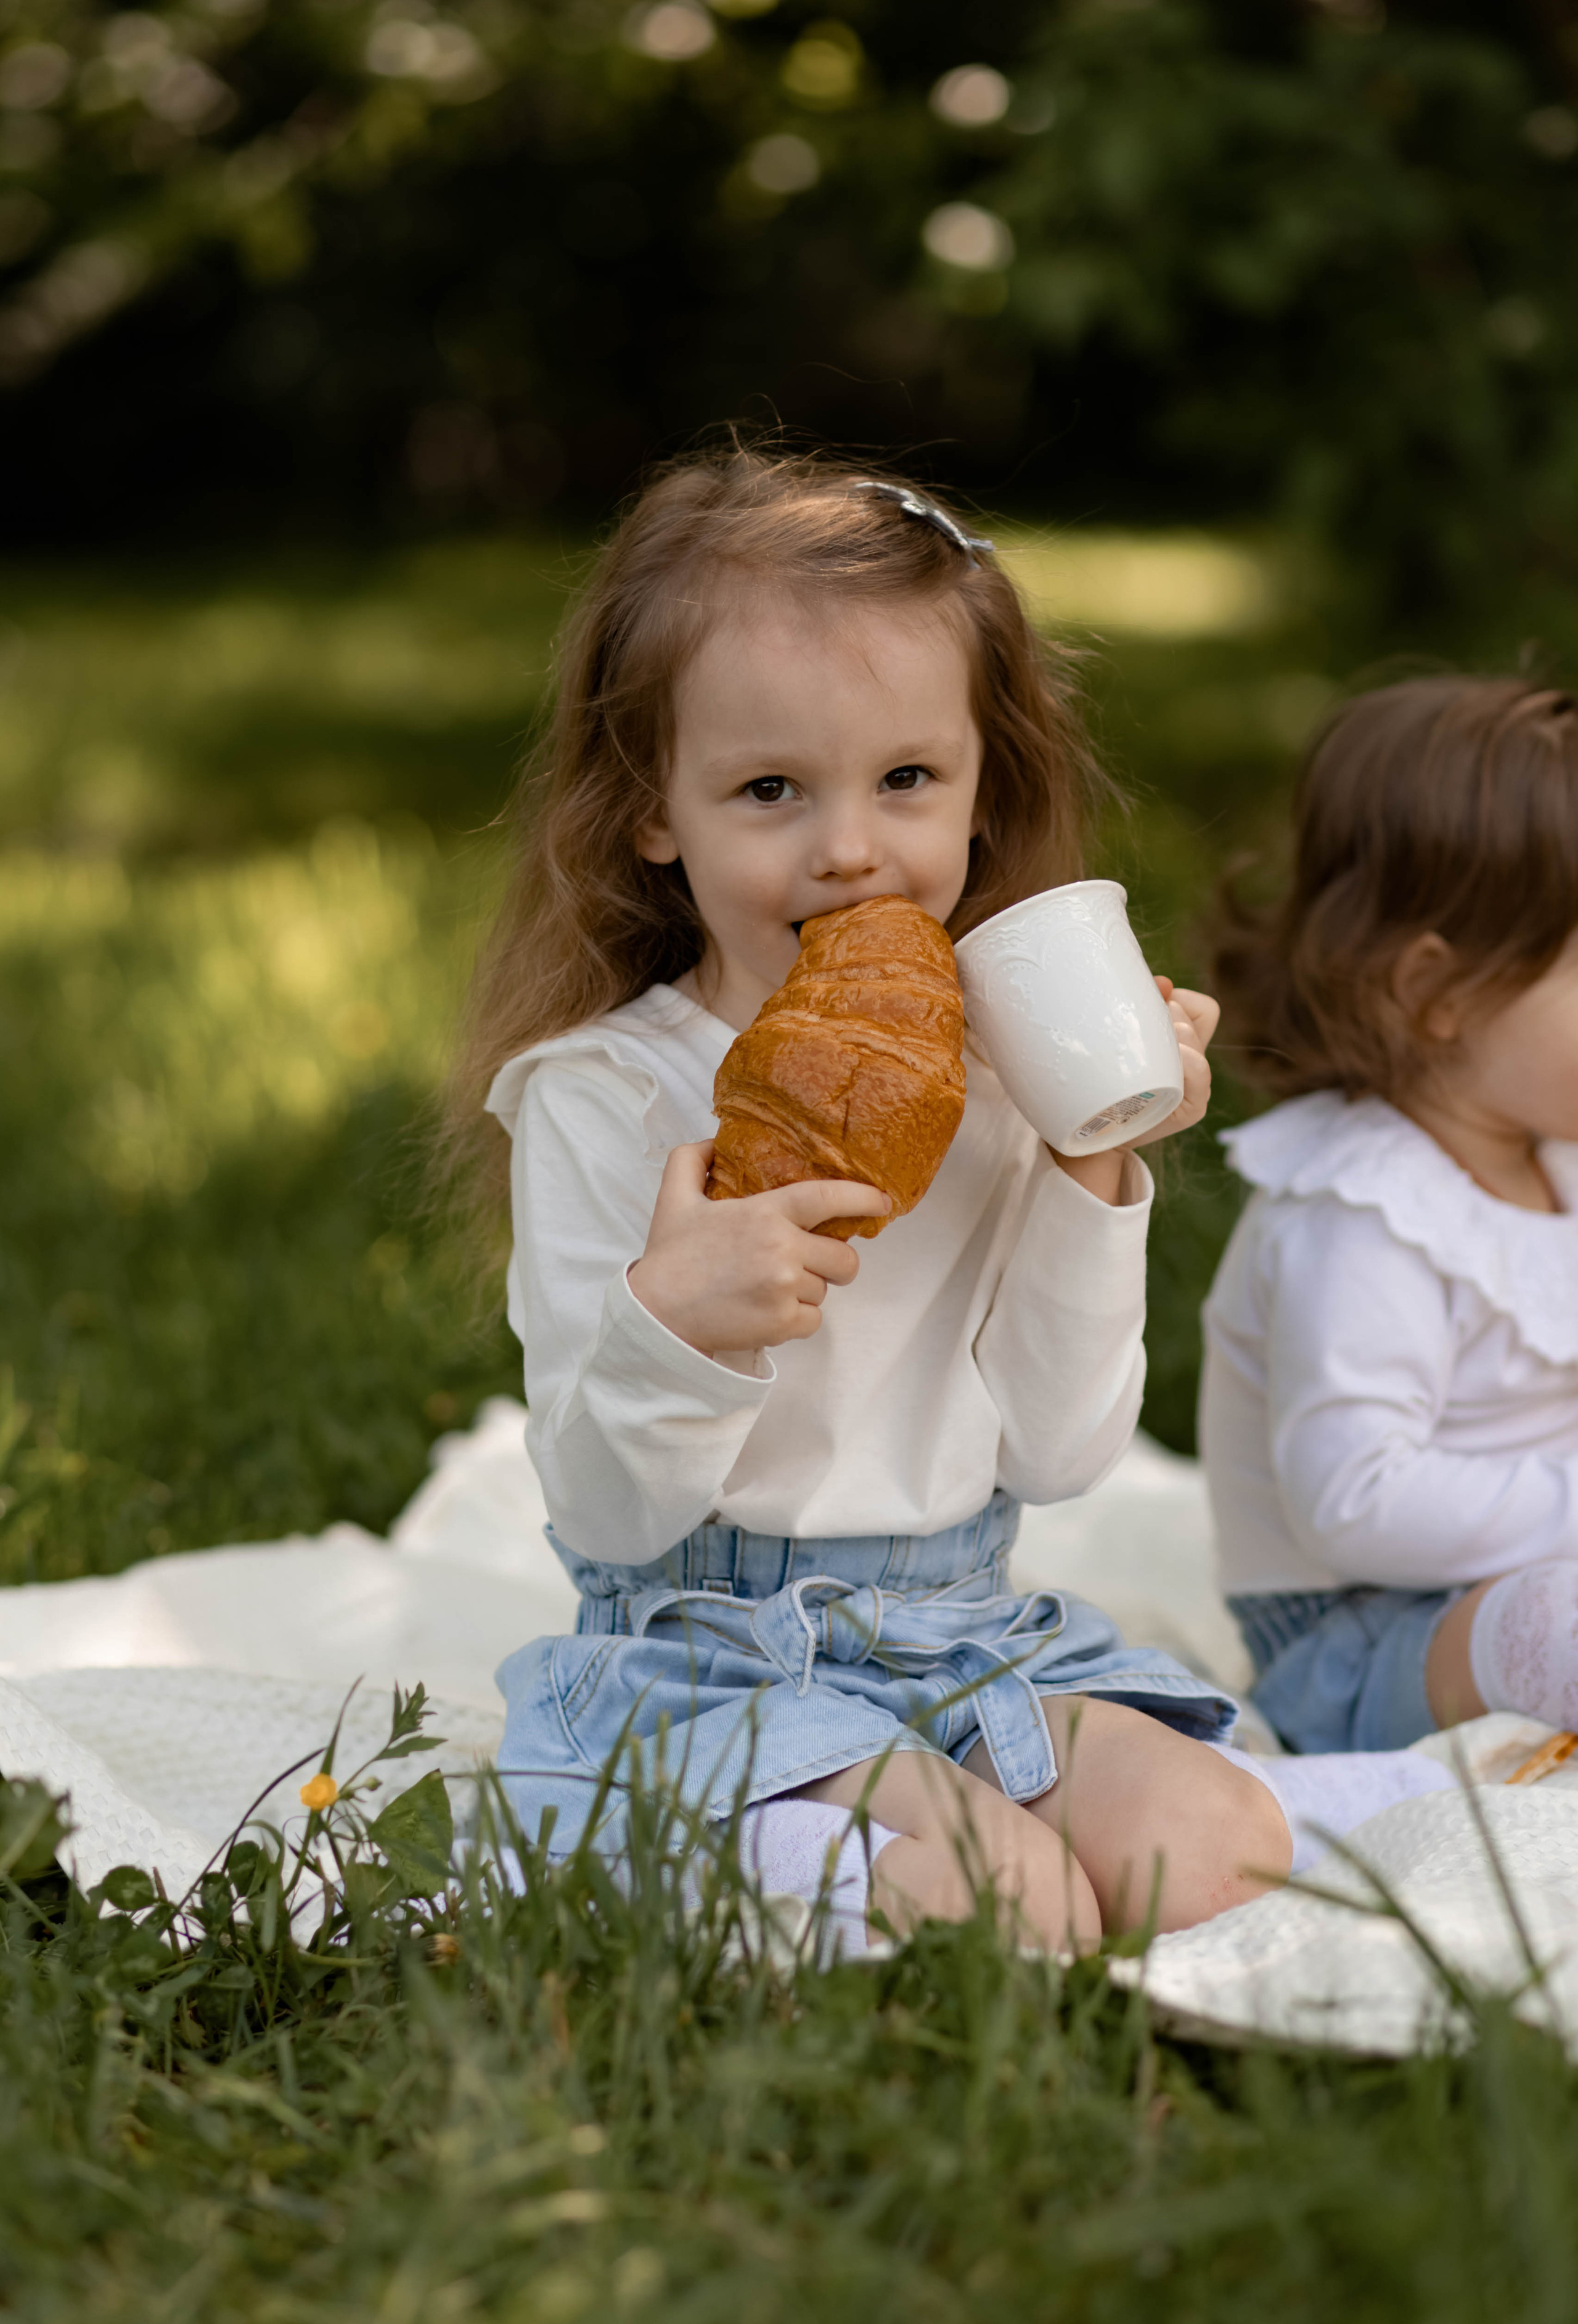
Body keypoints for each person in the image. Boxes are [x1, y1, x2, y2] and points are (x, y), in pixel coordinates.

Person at [441, 445, 1439, 1955]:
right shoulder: (604, 1095)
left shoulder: (996, 1070)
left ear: (982, 792)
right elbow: (600, 1506)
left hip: (966, 1635)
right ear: (654, 810)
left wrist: (1090, 1162)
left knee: (1216, 1853)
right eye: (768, 790)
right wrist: (677, 1325)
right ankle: (652, 1849)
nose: (850, 850)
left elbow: (1057, 1450)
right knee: (1009, 1905)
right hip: (711, 1654)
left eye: (905, 780)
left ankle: (878, 1835)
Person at [1203, 674, 1578, 1756]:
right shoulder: (1361, 1216)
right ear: (1436, 994)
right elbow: (1354, 1501)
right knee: (1557, 1620)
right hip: (1362, 1640)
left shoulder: (1550, 1149)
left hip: (1516, 1577)